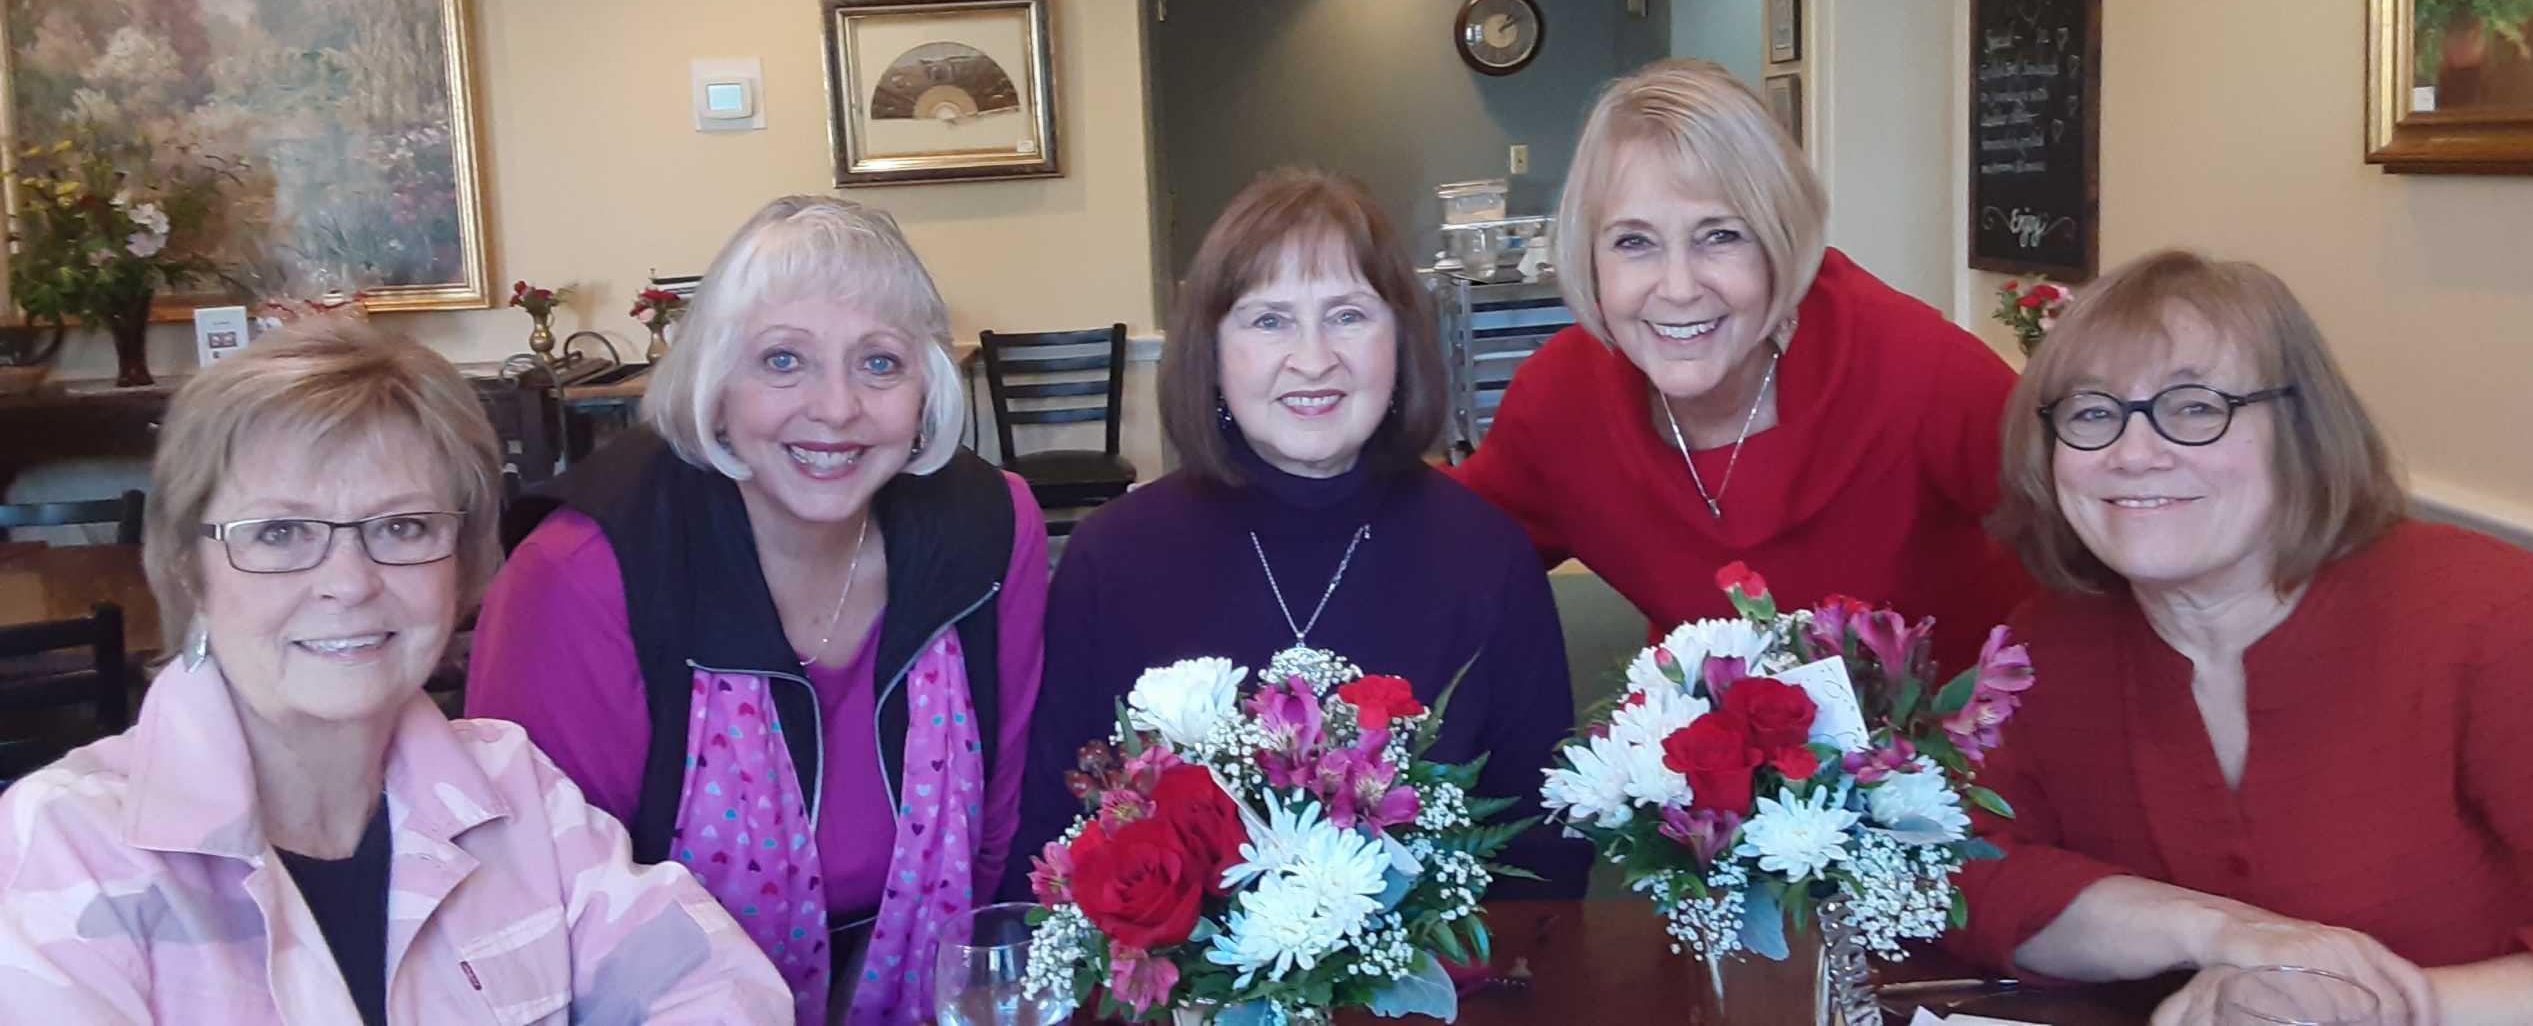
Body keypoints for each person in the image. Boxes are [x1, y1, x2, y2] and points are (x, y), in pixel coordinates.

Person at [0, 319, 790, 1023]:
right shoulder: (60, 850)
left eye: (403, 526)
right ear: (186, 570)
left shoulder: (518, 794)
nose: (348, 581)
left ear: (467, 561)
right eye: (279, 532)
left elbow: (721, 990)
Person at [467, 197, 1049, 1026]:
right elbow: (530, 912)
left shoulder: (993, 529)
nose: (837, 406)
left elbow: (996, 827)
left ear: (928, 387)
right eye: (783, 360)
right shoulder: (581, 573)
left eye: (881, 363)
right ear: (716, 384)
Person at [1945, 250, 2533, 1025]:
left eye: (2196, 406)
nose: (2134, 453)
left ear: (2301, 427)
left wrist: (2353, 1005)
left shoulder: (2502, 621)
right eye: (2094, 412)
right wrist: (2223, 931)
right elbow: (1960, 874)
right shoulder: (2047, 641)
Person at [1002, 169, 1584, 901]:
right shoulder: (1110, 559)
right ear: (1212, 352)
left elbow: (1544, 850)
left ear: (1400, 342)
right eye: (1269, 319)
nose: (1312, 358)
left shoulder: (1488, 556)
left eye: (1347, 314)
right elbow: (1055, 838)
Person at [1450, 59, 2028, 665]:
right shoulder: (1560, 400)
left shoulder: (1919, 370)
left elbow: (2087, 549)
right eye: (1634, 242)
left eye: (1721, 235)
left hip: (1967, 742)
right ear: (1589, 258)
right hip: (1723, 744)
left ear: (1782, 240)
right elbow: (1440, 548)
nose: (1678, 288)